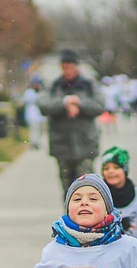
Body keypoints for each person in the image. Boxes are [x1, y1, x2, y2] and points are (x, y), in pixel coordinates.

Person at [38, 49, 106, 193]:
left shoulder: (88, 85)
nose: (67, 71)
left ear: (76, 66)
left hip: (85, 143)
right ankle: (69, 215)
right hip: (62, 145)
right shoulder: (54, 85)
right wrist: (64, 103)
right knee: (68, 188)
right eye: (64, 67)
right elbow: (43, 104)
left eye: (69, 67)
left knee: (86, 187)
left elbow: (100, 105)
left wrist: (79, 103)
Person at [100, 146, 137, 241]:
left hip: (134, 248)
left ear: (125, 170)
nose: (111, 171)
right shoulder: (98, 195)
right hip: (108, 248)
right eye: (106, 168)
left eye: (116, 167)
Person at [22, 75, 45, 149]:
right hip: (31, 115)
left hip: (40, 116)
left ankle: (38, 142)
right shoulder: (29, 92)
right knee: (33, 130)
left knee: (40, 130)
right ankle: (34, 143)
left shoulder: (41, 92)